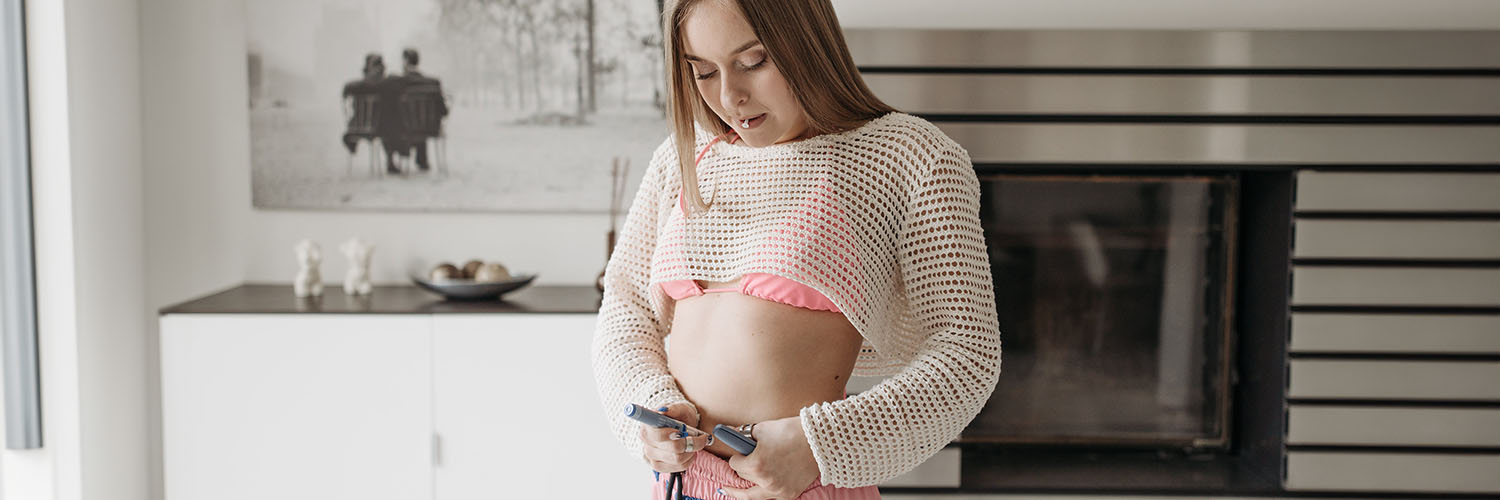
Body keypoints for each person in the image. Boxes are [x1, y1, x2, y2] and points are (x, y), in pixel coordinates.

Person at [590, 0, 1002, 499]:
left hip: (804, 487)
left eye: (753, 62)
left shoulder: (908, 157)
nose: (729, 96)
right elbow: (626, 309)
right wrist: (651, 410)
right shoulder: (685, 156)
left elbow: (967, 353)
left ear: (806, 42)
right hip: (680, 487)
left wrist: (817, 445)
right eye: (703, 72)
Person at [390, 47, 448, 172]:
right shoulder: (433, 83)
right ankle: (422, 160)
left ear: (405, 61)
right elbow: (443, 111)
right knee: (421, 118)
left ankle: (395, 160)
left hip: (407, 128)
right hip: (431, 128)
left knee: (401, 118)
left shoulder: (399, 83)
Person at [340, 53, 385, 156]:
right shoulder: (384, 85)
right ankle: (390, 160)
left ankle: (352, 147)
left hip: (358, 127)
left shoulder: (356, 86)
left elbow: (346, 92)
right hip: (380, 126)